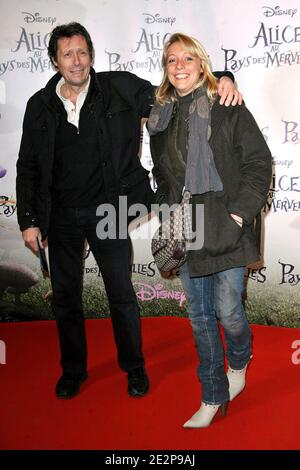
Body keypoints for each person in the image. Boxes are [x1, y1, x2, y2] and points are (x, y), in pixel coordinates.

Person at [16, 23, 242, 400]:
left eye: (83, 52)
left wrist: (224, 79)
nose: (77, 61)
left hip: (111, 212)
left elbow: (176, 94)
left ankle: (134, 368)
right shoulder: (38, 106)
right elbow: (27, 166)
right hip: (61, 216)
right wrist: (28, 220)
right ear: (55, 60)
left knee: (121, 294)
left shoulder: (118, 87)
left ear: (91, 55)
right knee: (65, 297)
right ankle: (73, 370)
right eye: (68, 54)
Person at [148, 33, 272, 427]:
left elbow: (259, 162)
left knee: (229, 312)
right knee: (201, 317)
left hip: (228, 225)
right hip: (189, 231)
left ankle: (239, 359)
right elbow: (164, 176)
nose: (180, 65)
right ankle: (212, 395)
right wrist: (166, 211)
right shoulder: (161, 116)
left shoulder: (227, 104)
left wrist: (239, 215)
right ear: (165, 68)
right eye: (171, 60)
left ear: (202, 63)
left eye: (187, 58)